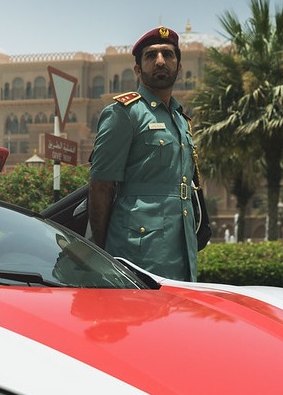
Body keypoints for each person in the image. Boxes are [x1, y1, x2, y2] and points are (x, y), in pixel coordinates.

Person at [88, 26, 209, 282]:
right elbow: (101, 186)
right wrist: (100, 252)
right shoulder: (124, 113)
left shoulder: (180, 119)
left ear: (179, 66)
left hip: (181, 243)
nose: (160, 61)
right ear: (138, 69)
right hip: (137, 247)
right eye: (151, 56)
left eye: (168, 54)